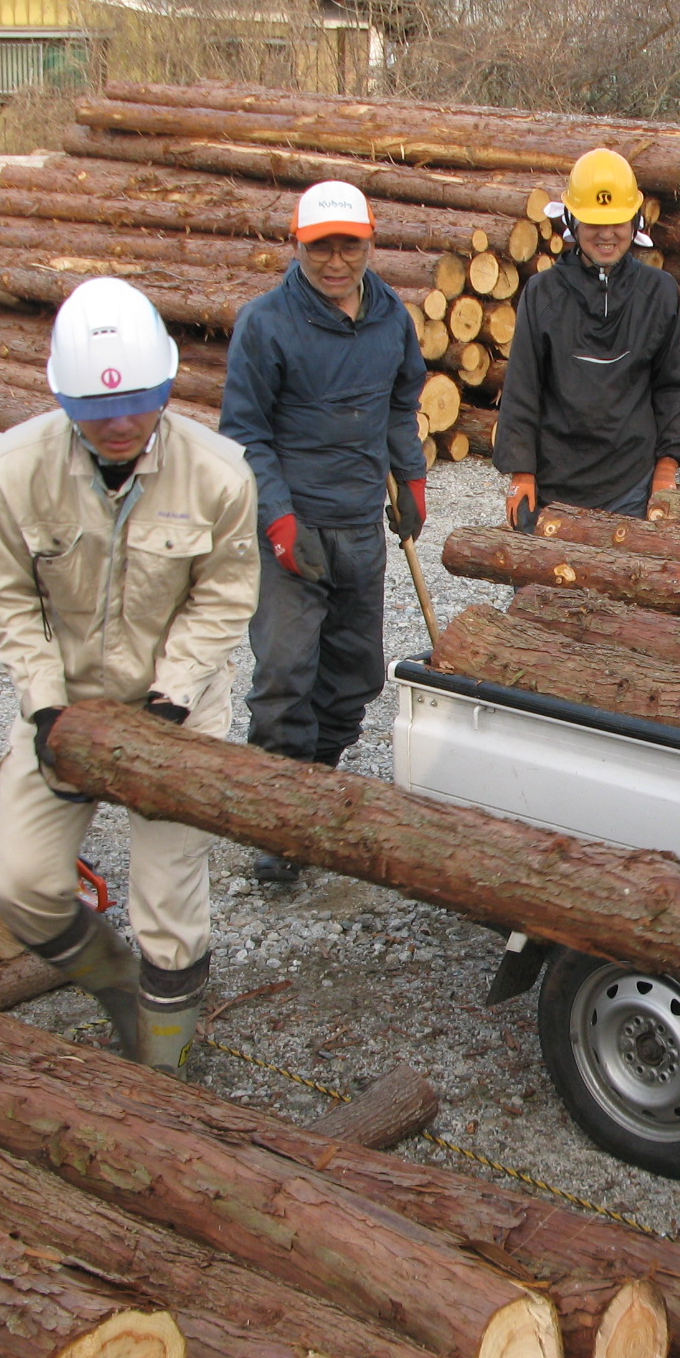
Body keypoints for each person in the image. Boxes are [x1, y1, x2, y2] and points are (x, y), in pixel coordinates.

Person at [0, 276, 259, 1073]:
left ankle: (162, 1063)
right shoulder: (12, 472)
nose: (122, 423)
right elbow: (4, 601)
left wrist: (173, 693)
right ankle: (111, 982)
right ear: (63, 399)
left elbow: (226, 597)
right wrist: (42, 707)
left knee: (168, 900)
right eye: (100, 410)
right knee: (20, 886)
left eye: (139, 401)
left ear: (166, 385)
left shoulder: (219, 475)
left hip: (178, 706)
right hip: (64, 706)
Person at [222, 179, 429, 883]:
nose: (336, 260)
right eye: (321, 247)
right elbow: (245, 434)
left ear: (371, 243)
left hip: (360, 525)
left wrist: (414, 478)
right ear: (298, 244)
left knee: (354, 677)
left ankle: (312, 786)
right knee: (284, 675)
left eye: (350, 245)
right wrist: (277, 519)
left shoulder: (390, 317)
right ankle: (279, 825)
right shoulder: (266, 323)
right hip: (294, 529)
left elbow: (403, 404)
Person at [494, 147, 680, 524]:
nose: (607, 234)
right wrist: (522, 473)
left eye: (618, 222)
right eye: (593, 223)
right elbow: (523, 390)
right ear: (571, 220)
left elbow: (674, 388)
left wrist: (666, 469)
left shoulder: (658, 293)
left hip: (631, 486)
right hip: (555, 485)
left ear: (635, 222)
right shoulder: (543, 293)